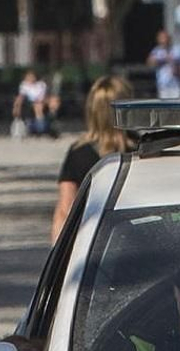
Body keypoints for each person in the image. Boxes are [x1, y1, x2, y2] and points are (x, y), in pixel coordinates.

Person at [52, 75, 132, 241]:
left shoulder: (78, 152)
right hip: (136, 236)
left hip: (92, 240)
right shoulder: (141, 149)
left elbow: (65, 209)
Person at [147, 30, 180, 100]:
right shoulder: (156, 51)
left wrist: (177, 68)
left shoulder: (177, 49)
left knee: (177, 105)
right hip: (163, 86)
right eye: (162, 38)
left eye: (166, 38)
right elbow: (150, 63)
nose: (164, 40)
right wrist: (163, 60)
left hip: (176, 85)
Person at [13, 69, 53, 137]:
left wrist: (42, 100)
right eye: (28, 77)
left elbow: (44, 95)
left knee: (51, 102)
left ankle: (48, 121)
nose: (30, 78)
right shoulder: (24, 85)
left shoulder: (41, 84)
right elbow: (22, 96)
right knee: (36, 106)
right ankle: (40, 127)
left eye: (32, 76)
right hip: (29, 102)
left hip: (41, 101)